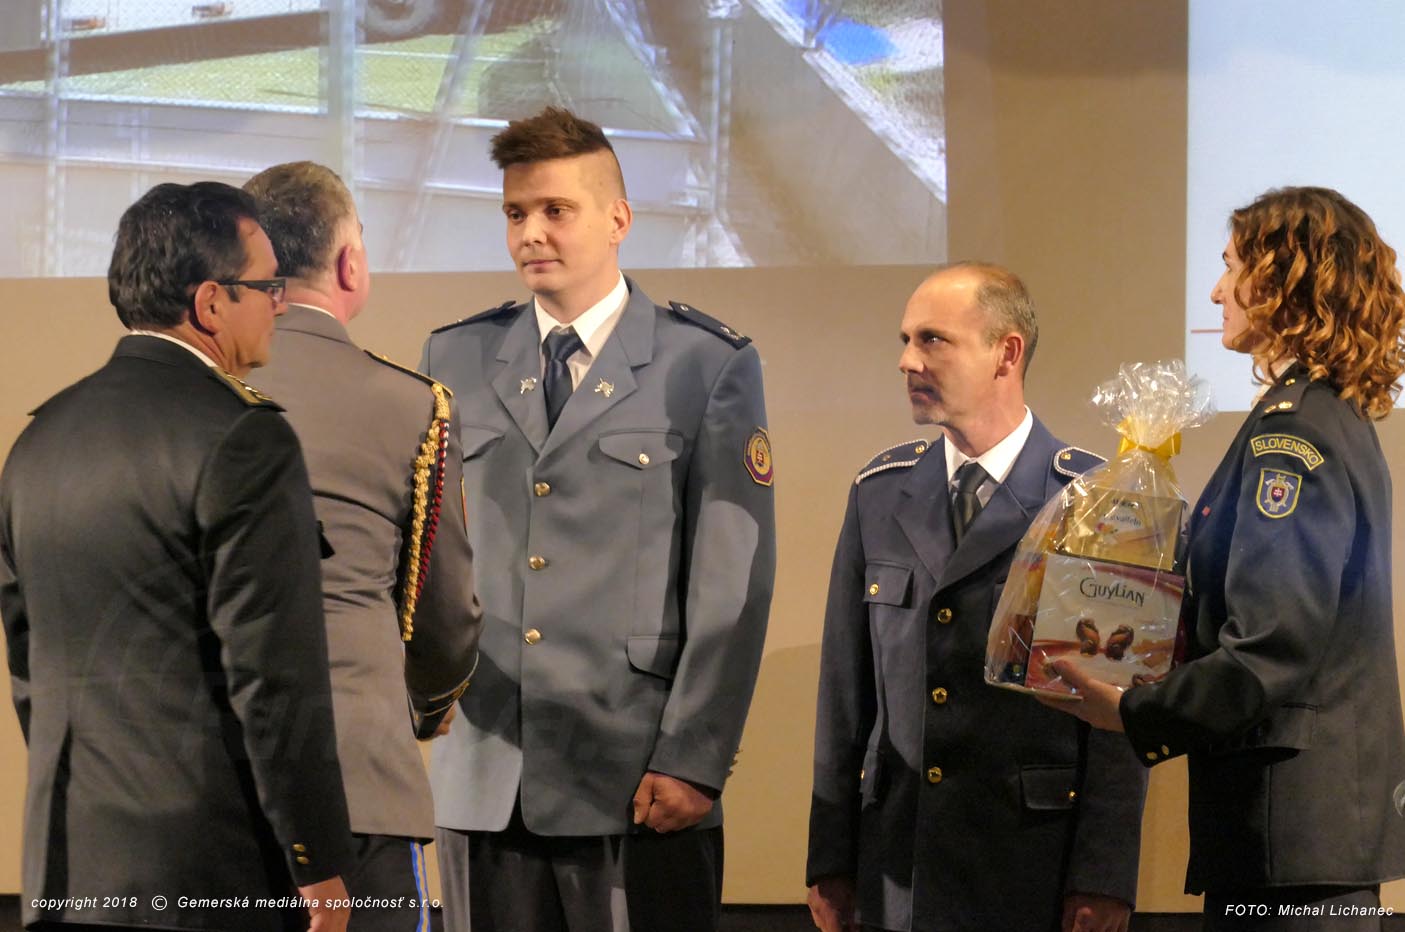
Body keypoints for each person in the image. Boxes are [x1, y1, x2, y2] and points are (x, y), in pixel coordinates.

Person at [418, 106, 777, 932]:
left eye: (556, 210)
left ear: (618, 219)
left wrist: (695, 758)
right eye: (515, 213)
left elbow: (731, 586)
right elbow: (431, 557)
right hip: (485, 776)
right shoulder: (455, 356)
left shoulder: (705, 363)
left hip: (634, 776)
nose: (531, 233)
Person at [0, 182, 354, 932]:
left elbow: (30, 669)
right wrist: (316, 860)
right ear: (211, 303)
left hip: (65, 863)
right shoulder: (246, 437)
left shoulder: (37, 441)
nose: (280, 306)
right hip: (207, 869)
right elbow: (274, 679)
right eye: (267, 286)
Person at [1052, 186, 1405, 930]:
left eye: (1230, 266)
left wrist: (1135, 711)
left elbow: (1271, 645)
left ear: (1282, 279)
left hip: (1288, 849)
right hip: (1296, 842)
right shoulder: (1318, 414)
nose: (1216, 291)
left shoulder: (1292, 435)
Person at [807, 262, 1148, 932]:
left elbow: (1116, 714)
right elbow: (844, 693)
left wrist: (1103, 874)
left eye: (932, 340)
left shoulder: (1095, 502)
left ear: (1005, 353)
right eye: (905, 340)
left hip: (1030, 863)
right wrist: (831, 856)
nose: (907, 360)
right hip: (898, 864)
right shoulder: (881, 491)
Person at [243, 161, 484, 932]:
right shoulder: (410, 404)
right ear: (350, 263)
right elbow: (445, 613)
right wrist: (427, 706)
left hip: (213, 790)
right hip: (359, 785)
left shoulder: (193, 396)